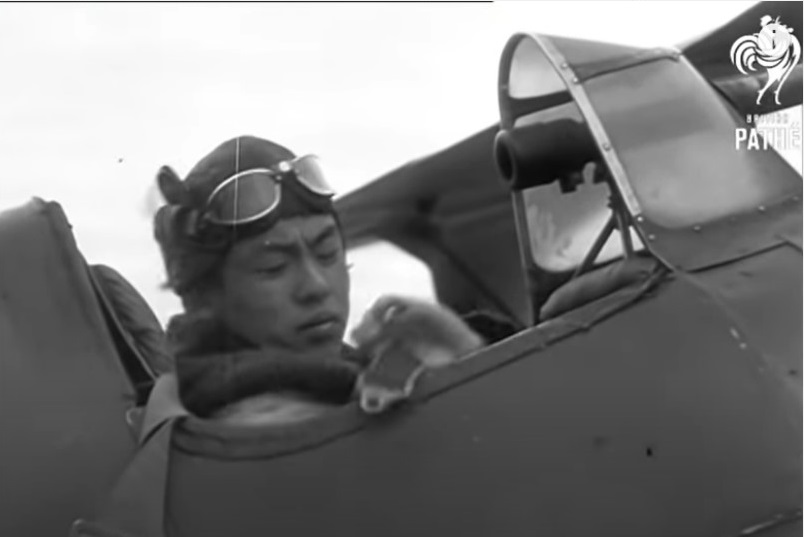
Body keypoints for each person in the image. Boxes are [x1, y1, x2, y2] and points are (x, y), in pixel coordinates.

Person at [153, 135, 516, 425]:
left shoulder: (362, 381)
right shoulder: (247, 425)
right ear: (203, 297)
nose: (317, 286)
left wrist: (465, 351)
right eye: (273, 267)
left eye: (327, 253)